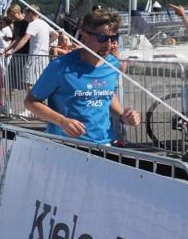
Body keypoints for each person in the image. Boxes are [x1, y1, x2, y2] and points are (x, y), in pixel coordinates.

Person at [24, 8, 140, 145]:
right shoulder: (61, 66)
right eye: (102, 38)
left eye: (113, 38)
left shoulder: (112, 64)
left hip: (104, 143)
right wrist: (62, 121)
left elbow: (107, 93)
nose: (108, 45)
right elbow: (30, 102)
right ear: (84, 34)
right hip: (66, 144)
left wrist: (124, 115)